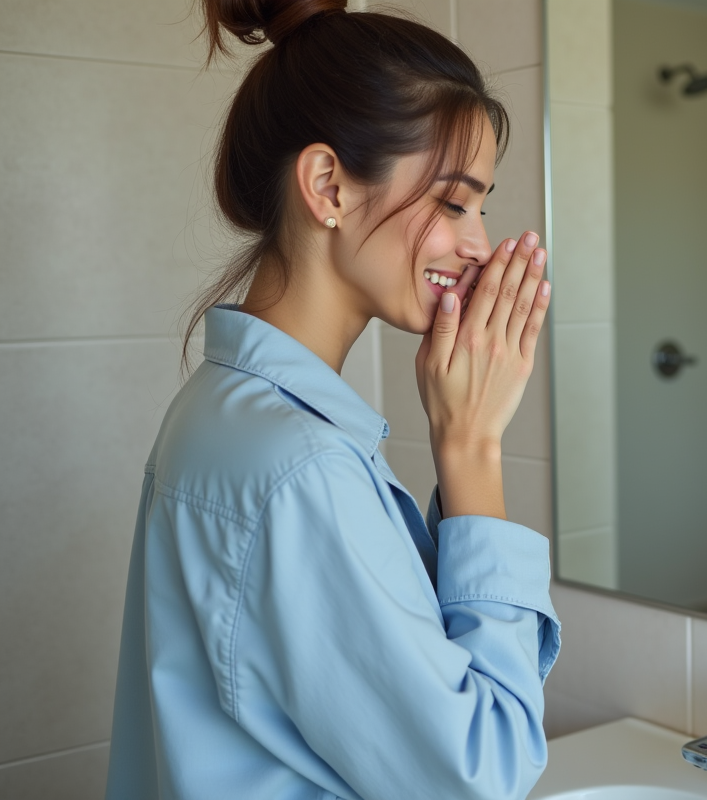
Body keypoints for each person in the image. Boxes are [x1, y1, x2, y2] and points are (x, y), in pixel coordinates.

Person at [105, 2, 559, 798]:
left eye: (481, 207)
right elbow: (480, 775)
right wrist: (472, 450)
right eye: (454, 202)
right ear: (327, 187)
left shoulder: (224, 411)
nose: (480, 244)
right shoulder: (300, 468)